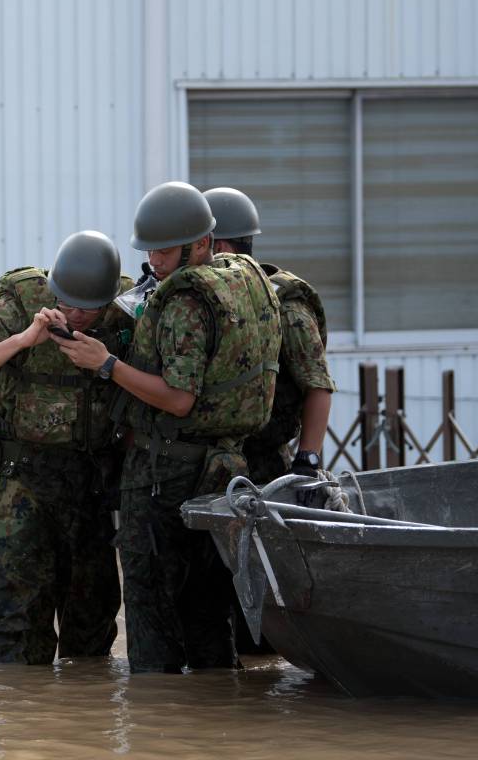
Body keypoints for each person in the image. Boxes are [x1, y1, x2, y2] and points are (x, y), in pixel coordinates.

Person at [88, 181, 282, 673]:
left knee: (150, 597)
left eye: (164, 250)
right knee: (207, 599)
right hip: (224, 466)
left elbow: (178, 398)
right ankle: (210, 715)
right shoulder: (243, 278)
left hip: (166, 471)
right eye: (149, 250)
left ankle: (158, 720)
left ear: (201, 244)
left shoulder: (185, 302)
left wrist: (106, 363)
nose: (154, 261)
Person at [0, 231, 135, 666]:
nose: (76, 316)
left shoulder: (126, 307)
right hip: (23, 479)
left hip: (91, 481)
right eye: (67, 304)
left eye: (89, 309)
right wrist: (22, 340)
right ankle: (17, 723)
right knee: (19, 619)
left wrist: (104, 359)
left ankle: (80, 723)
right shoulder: (19, 299)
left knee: (94, 619)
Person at [203, 188, 336, 483]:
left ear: (220, 246)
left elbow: (318, 384)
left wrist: (307, 460)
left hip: (264, 465)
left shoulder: (283, 305)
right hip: (213, 462)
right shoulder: (209, 302)